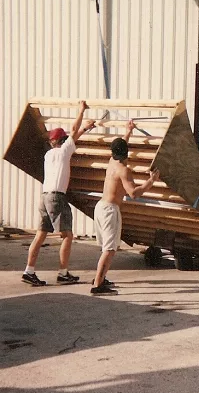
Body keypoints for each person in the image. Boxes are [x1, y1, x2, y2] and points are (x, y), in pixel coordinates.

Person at [20, 100, 96, 287]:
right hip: (56, 197)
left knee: (40, 234)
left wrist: (85, 129)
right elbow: (74, 130)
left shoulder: (49, 154)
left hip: (44, 197)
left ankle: (28, 271)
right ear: (63, 140)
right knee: (67, 235)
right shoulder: (64, 152)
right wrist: (81, 111)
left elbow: (73, 136)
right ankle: (63, 273)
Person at [91, 120, 159, 295]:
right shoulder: (124, 170)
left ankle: (101, 277)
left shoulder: (111, 162)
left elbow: (121, 146)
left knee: (108, 247)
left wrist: (127, 131)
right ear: (126, 153)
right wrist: (151, 181)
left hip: (101, 207)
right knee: (110, 249)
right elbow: (134, 193)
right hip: (109, 210)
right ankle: (97, 284)